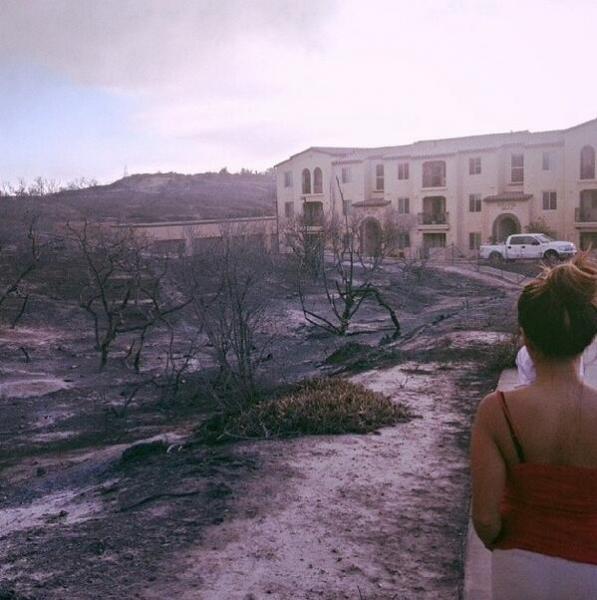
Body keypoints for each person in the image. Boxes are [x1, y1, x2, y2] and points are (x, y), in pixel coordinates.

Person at [471, 254, 597, 599]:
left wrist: (514, 544)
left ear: (525, 338)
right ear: (588, 339)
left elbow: (485, 519)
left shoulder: (497, 412)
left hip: (521, 571)